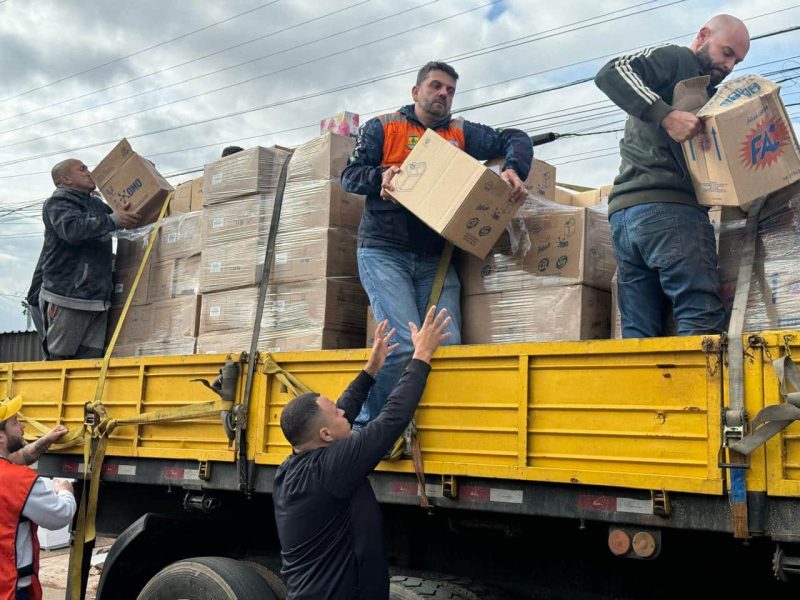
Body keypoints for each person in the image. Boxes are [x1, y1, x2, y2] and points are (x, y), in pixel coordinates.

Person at [342, 60, 532, 424]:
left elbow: (515, 137)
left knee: (447, 348)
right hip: (384, 252)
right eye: (435, 86)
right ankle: (371, 428)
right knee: (401, 348)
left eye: (450, 90)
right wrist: (380, 175)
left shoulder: (461, 133)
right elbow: (349, 176)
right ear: (416, 92)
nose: (443, 94)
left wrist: (514, 169)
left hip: (436, 259)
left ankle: (430, 426)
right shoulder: (382, 127)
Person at [273, 306, 451, 600]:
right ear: (325, 436)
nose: (345, 412)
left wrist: (371, 369)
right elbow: (391, 419)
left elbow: (344, 409)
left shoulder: (295, 466)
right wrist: (421, 356)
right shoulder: (330, 469)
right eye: (337, 414)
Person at [595, 14, 750, 338]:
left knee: (639, 333)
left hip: (627, 217)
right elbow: (612, 71)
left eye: (737, 60)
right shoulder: (679, 60)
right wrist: (666, 116)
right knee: (700, 319)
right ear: (703, 34)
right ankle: (696, 392)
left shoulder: (706, 92)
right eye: (727, 52)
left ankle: (647, 391)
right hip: (669, 210)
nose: (731, 66)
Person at [27, 159, 139, 360]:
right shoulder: (58, 203)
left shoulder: (96, 205)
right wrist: (114, 220)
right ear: (65, 179)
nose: (89, 172)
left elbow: (119, 218)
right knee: (60, 360)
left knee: (89, 364)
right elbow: (73, 230)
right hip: (68, 298)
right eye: (82, 169)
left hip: (97, 300)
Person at [0, 396, 76, 600]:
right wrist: (65, 491)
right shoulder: (18, 481)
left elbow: (17, 458)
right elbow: (60, 515)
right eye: (15, 422)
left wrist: (44, 441)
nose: (22, 426)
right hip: (10, 590)